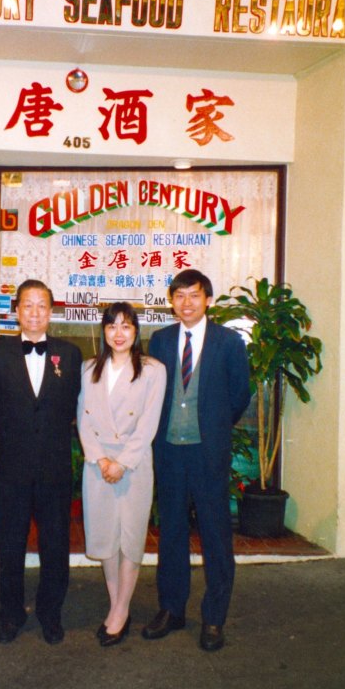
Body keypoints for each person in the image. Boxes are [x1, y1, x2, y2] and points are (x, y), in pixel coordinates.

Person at [141, 269, 250, 652]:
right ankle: (172, 609)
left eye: (194, 295)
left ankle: (214, 618)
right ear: (171, 300)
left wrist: (214, 428)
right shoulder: (160, 341)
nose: (186, 302)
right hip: (169, 451)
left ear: (207, 299)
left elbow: (239, 396)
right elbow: (151, 394)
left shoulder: (229, 342)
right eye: (179, 295)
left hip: (208, 454)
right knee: (170, 532)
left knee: (216, 536)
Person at [0, 279, 82, 645]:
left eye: (42, 305)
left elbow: (71, 408)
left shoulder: (69, 354)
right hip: (12, 469)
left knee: (56, 543)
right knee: (10, 543)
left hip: (54, 467)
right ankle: (10, 614)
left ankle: (50, 613)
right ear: (17, 311)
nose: (35, 312)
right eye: (28, 305)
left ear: (51, 311)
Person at [77, 302, 166, 647]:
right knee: (104, 536)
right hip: (98, 466)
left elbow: (148, 424)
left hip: (134, 463)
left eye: (126, 327)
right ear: (103, 331)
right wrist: (100, 460)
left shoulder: (152, 370)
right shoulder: (88, 370)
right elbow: (83, 420)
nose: (118, 334)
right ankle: (117, 605)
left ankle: (121, 609)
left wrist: (122, 463)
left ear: (136, 332)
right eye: (112, 326)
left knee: (129, 537)